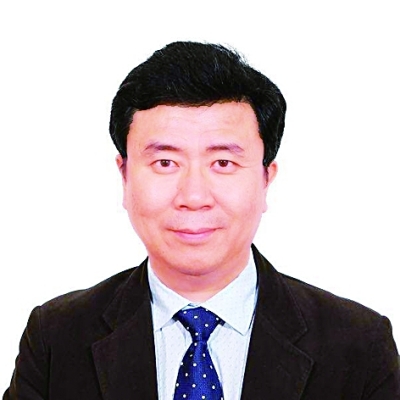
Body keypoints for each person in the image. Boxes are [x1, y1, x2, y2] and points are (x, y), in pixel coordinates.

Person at [4, 41, 399, 400]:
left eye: (223, 163)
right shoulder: (56, 339)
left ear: (266, 179)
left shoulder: (360, 347)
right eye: (165, 162)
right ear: (124, 177)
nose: (193, 197)